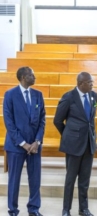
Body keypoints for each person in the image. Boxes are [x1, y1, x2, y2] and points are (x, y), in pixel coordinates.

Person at [53, 72, 97, 216]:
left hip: (88, 144)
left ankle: (83, 208)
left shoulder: (93, 96)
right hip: (73, 145)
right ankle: (66, 209)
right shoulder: (69, 97)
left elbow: (90, 119)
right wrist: (68, 135)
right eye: (90, 82)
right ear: (81, 84)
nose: (92, 84)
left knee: (85, 179)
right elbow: (57, 120)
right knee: (70, 179)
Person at [3, 67, 46, 216]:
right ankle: (13, 210)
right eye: (31, 75)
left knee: (35, 178)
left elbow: (42, 121)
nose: (34, 77)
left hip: (34, 146)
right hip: (16, 146)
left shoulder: (38, 95)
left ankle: (34, 208)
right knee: (14, 179)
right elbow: (9, 123)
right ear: (23, 77)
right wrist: (23, 143)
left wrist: (37, 141)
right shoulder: (10, 95)